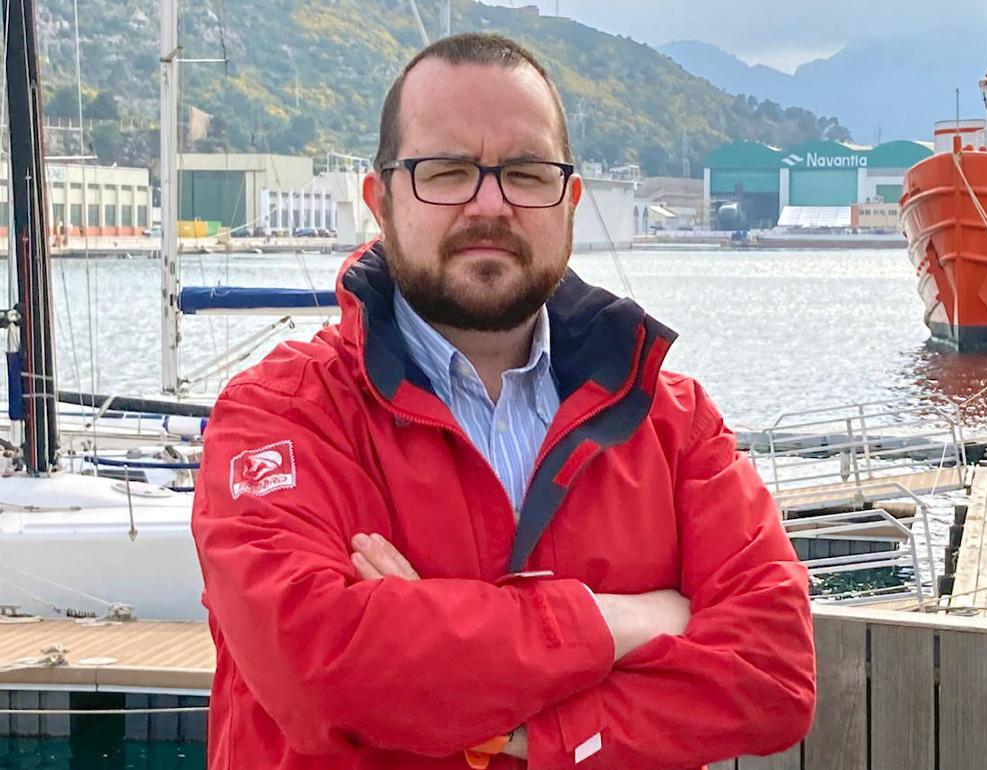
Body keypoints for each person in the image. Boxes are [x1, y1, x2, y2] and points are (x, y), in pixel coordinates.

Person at [192, 32, 815, 770]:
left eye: (525, 172)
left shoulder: (674, 426)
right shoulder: (283, 416)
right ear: (379, 199)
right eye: (447, 172)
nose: (490, 205)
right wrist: (615, 621)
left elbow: (773, 673)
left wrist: (499, 716)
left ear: (570, 199)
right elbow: (321, 666)